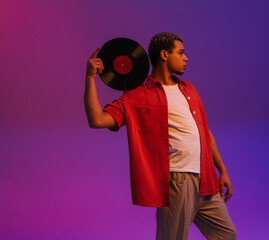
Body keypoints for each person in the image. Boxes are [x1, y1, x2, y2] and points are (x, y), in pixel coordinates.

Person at [84, 32, 237, 240]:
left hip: (206, 179)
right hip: (177, 180)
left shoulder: (188, 89)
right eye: (181, 52)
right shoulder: (137, 95)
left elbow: (204, 132)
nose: (186, 58)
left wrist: (223, 170)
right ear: (164, 55)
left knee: (227, 235)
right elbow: (97, 120)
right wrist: (90, 78)